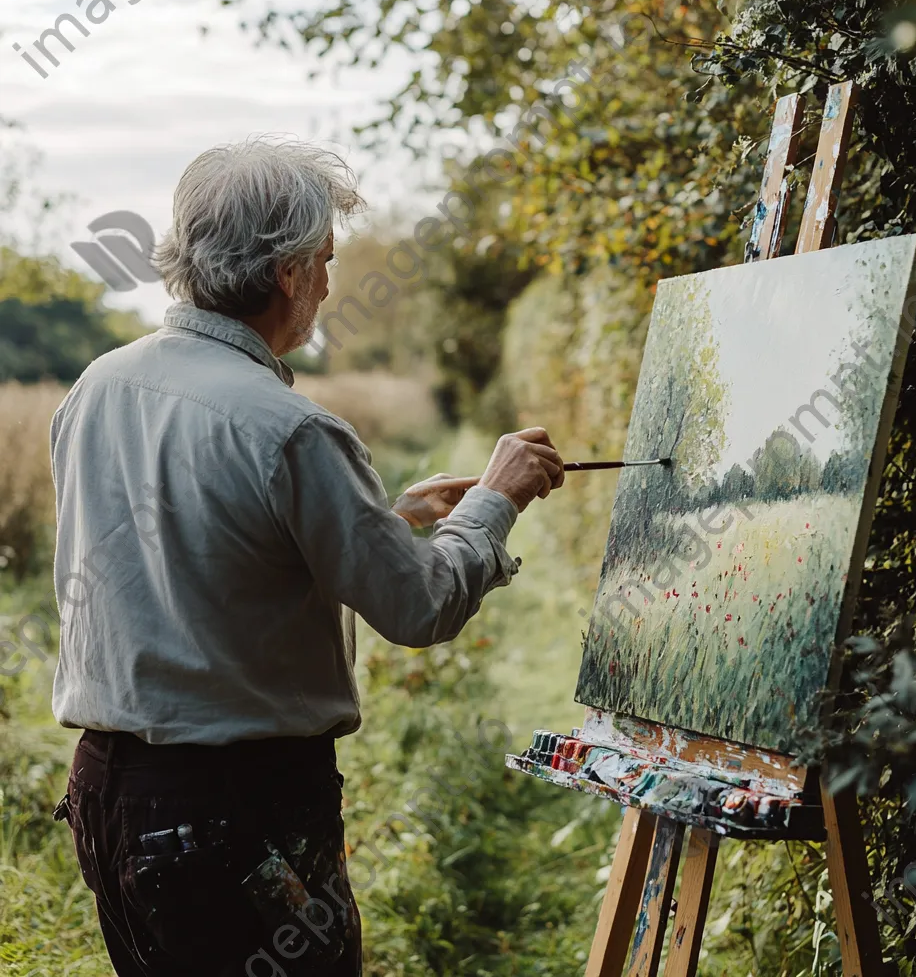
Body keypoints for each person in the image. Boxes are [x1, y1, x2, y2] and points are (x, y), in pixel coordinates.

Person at [48, 137, 564, 977]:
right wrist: (494, 499)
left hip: (110, 797)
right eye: (325, 258)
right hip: (238, 813)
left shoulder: (96, 387)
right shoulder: (291, 428)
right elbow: (419, 607)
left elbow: (192, 555)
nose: (329, 281)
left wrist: (380, 519)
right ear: (287, 270)